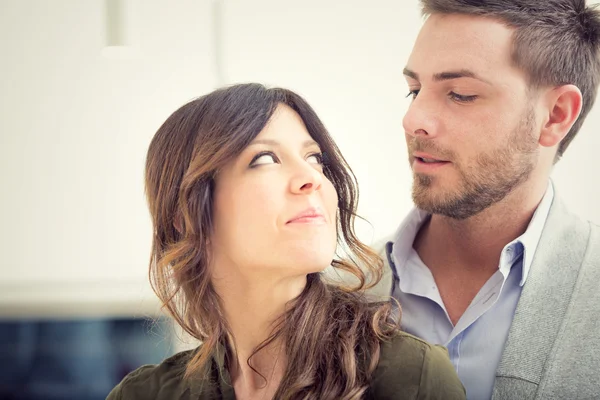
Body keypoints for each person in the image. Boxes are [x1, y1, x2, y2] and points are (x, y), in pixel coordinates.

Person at [106, 83, 465, 399]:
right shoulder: (143, 394)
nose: (311, 177)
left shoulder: (411, 378)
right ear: (186, 215)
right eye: (265, 158)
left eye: (315, 158)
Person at [379, 0, 600, 399]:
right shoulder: (335, 291)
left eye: (460, 94)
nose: (413, 120)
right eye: (414, 90)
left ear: (555, 115)